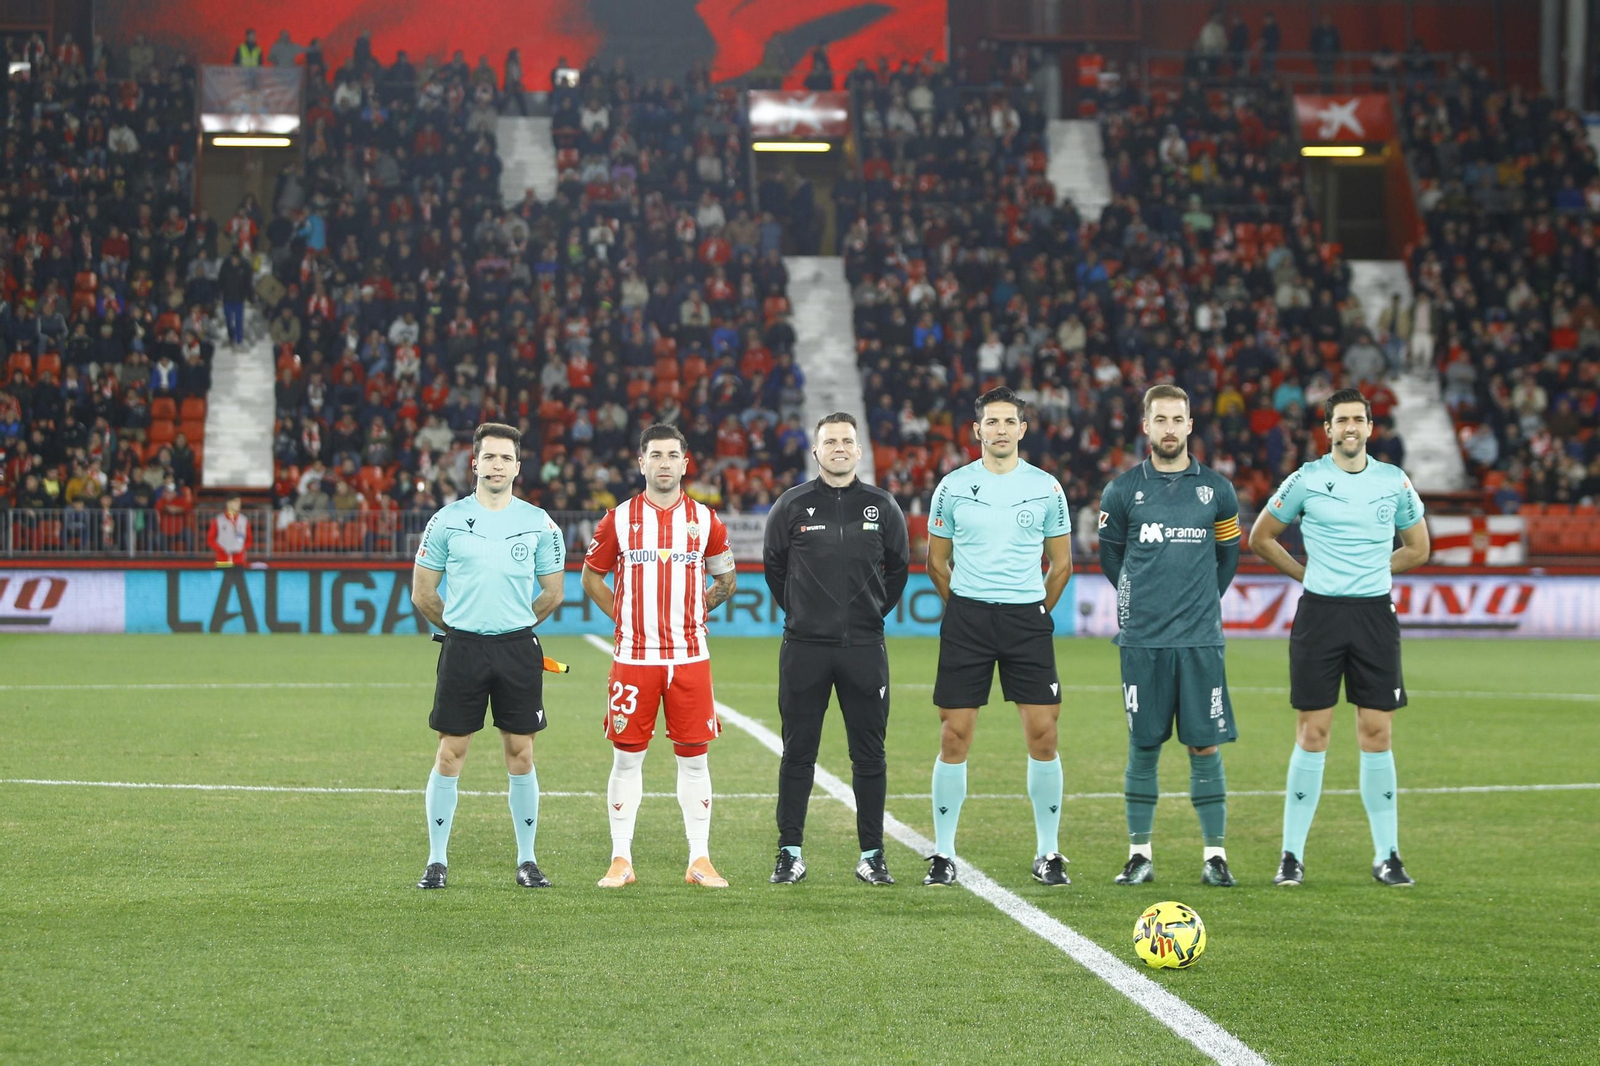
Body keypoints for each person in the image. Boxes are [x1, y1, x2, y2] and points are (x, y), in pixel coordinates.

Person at [1248, 389, 1431, 888]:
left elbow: (1419, 548)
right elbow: (1260, 537)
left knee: (1377, 734)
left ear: (1371, 428)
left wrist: (1373, 567)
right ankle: (1291, 855)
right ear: (1327, 429)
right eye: (1341, 420)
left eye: (1358, 419)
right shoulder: (1307, 478)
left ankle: (1388, 854)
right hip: (1320, 616)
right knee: (1314, 733)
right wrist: (1304, 574)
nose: (1350, 427)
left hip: (1374, 616)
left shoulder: (1393, 481)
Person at [923, 387, 1074, 888]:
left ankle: (1049, 852)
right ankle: (943, 853)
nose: (1001, 430)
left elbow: (1061, 565)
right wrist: (964, 605)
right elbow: (936, 562)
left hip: (1026, 622)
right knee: (954, 735)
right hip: (967, 620)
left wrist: (1034, 611)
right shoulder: (952, 486)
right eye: (993, 422)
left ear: (1023, 429)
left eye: (1010, 421)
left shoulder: (1047, 487)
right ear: (977, 430)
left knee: (1043, 735)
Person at [411, 423, 568, 890]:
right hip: (463, 648)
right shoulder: (445, 519)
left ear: (518, 468)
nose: (497, 465)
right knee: (450, 752)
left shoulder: (540, 522)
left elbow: (553, 593)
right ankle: (436, 862)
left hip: (518, 648)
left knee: (521, 755)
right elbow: (423, 593)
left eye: (506, 459)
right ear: (474, 464)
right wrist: (461, 627)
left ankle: (527, 860)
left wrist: (514, 625)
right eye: (489, 457)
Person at [1097, 386, 1243, 889]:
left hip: (1201, 641)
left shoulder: (1218, 491)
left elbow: (1227, 561)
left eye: (1177, 419)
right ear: (1146, 427)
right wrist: (1144, 604)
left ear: (1189, 424)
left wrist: (1199, 602)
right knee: (1144, 746)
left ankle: (1216, 856)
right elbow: (1113, 560)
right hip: (1143, 642)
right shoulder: (1121, 491)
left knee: (1204, 748)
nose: (1169, 428)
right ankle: (1139, 855)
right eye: (1160, 419)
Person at [582, 424, 739, 889]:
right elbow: (592, 579)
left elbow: (726, 581)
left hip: (690, 657)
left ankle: (700, 859)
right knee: (627, 758)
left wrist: (695, 610)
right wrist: (625, 619)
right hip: (634, 657)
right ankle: (620, 859)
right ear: (642, 462)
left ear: (685, 463)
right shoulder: (619, 519)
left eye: (673, 455)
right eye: (656, 455)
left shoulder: (707, 521)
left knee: (694, 759)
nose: (665, 463)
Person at [763, 413, 910, 886]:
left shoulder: (882, 506)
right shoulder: (791, 505)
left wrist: (867, 616)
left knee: (870, 756)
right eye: (830, 441)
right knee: (797, 752)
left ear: (859, 450)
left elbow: (898, 571)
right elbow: (775, 570)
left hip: (865, 650)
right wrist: (805, 614)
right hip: (804, 649)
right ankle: (789, 852)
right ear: (816, 451)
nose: (839, 448)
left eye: (847, 441)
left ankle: (872, 854)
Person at [207, 494, 252, 566]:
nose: (239, 504)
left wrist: (241, 549)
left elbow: (249, 540)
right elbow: (210, 539)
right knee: (222, 577)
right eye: (236, 502)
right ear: (228, 503)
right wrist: (221, 550)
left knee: (238, 577)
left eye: (239, 502)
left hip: (239, 559)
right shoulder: (218, 520)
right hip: (222, 559)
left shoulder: (244, 520)